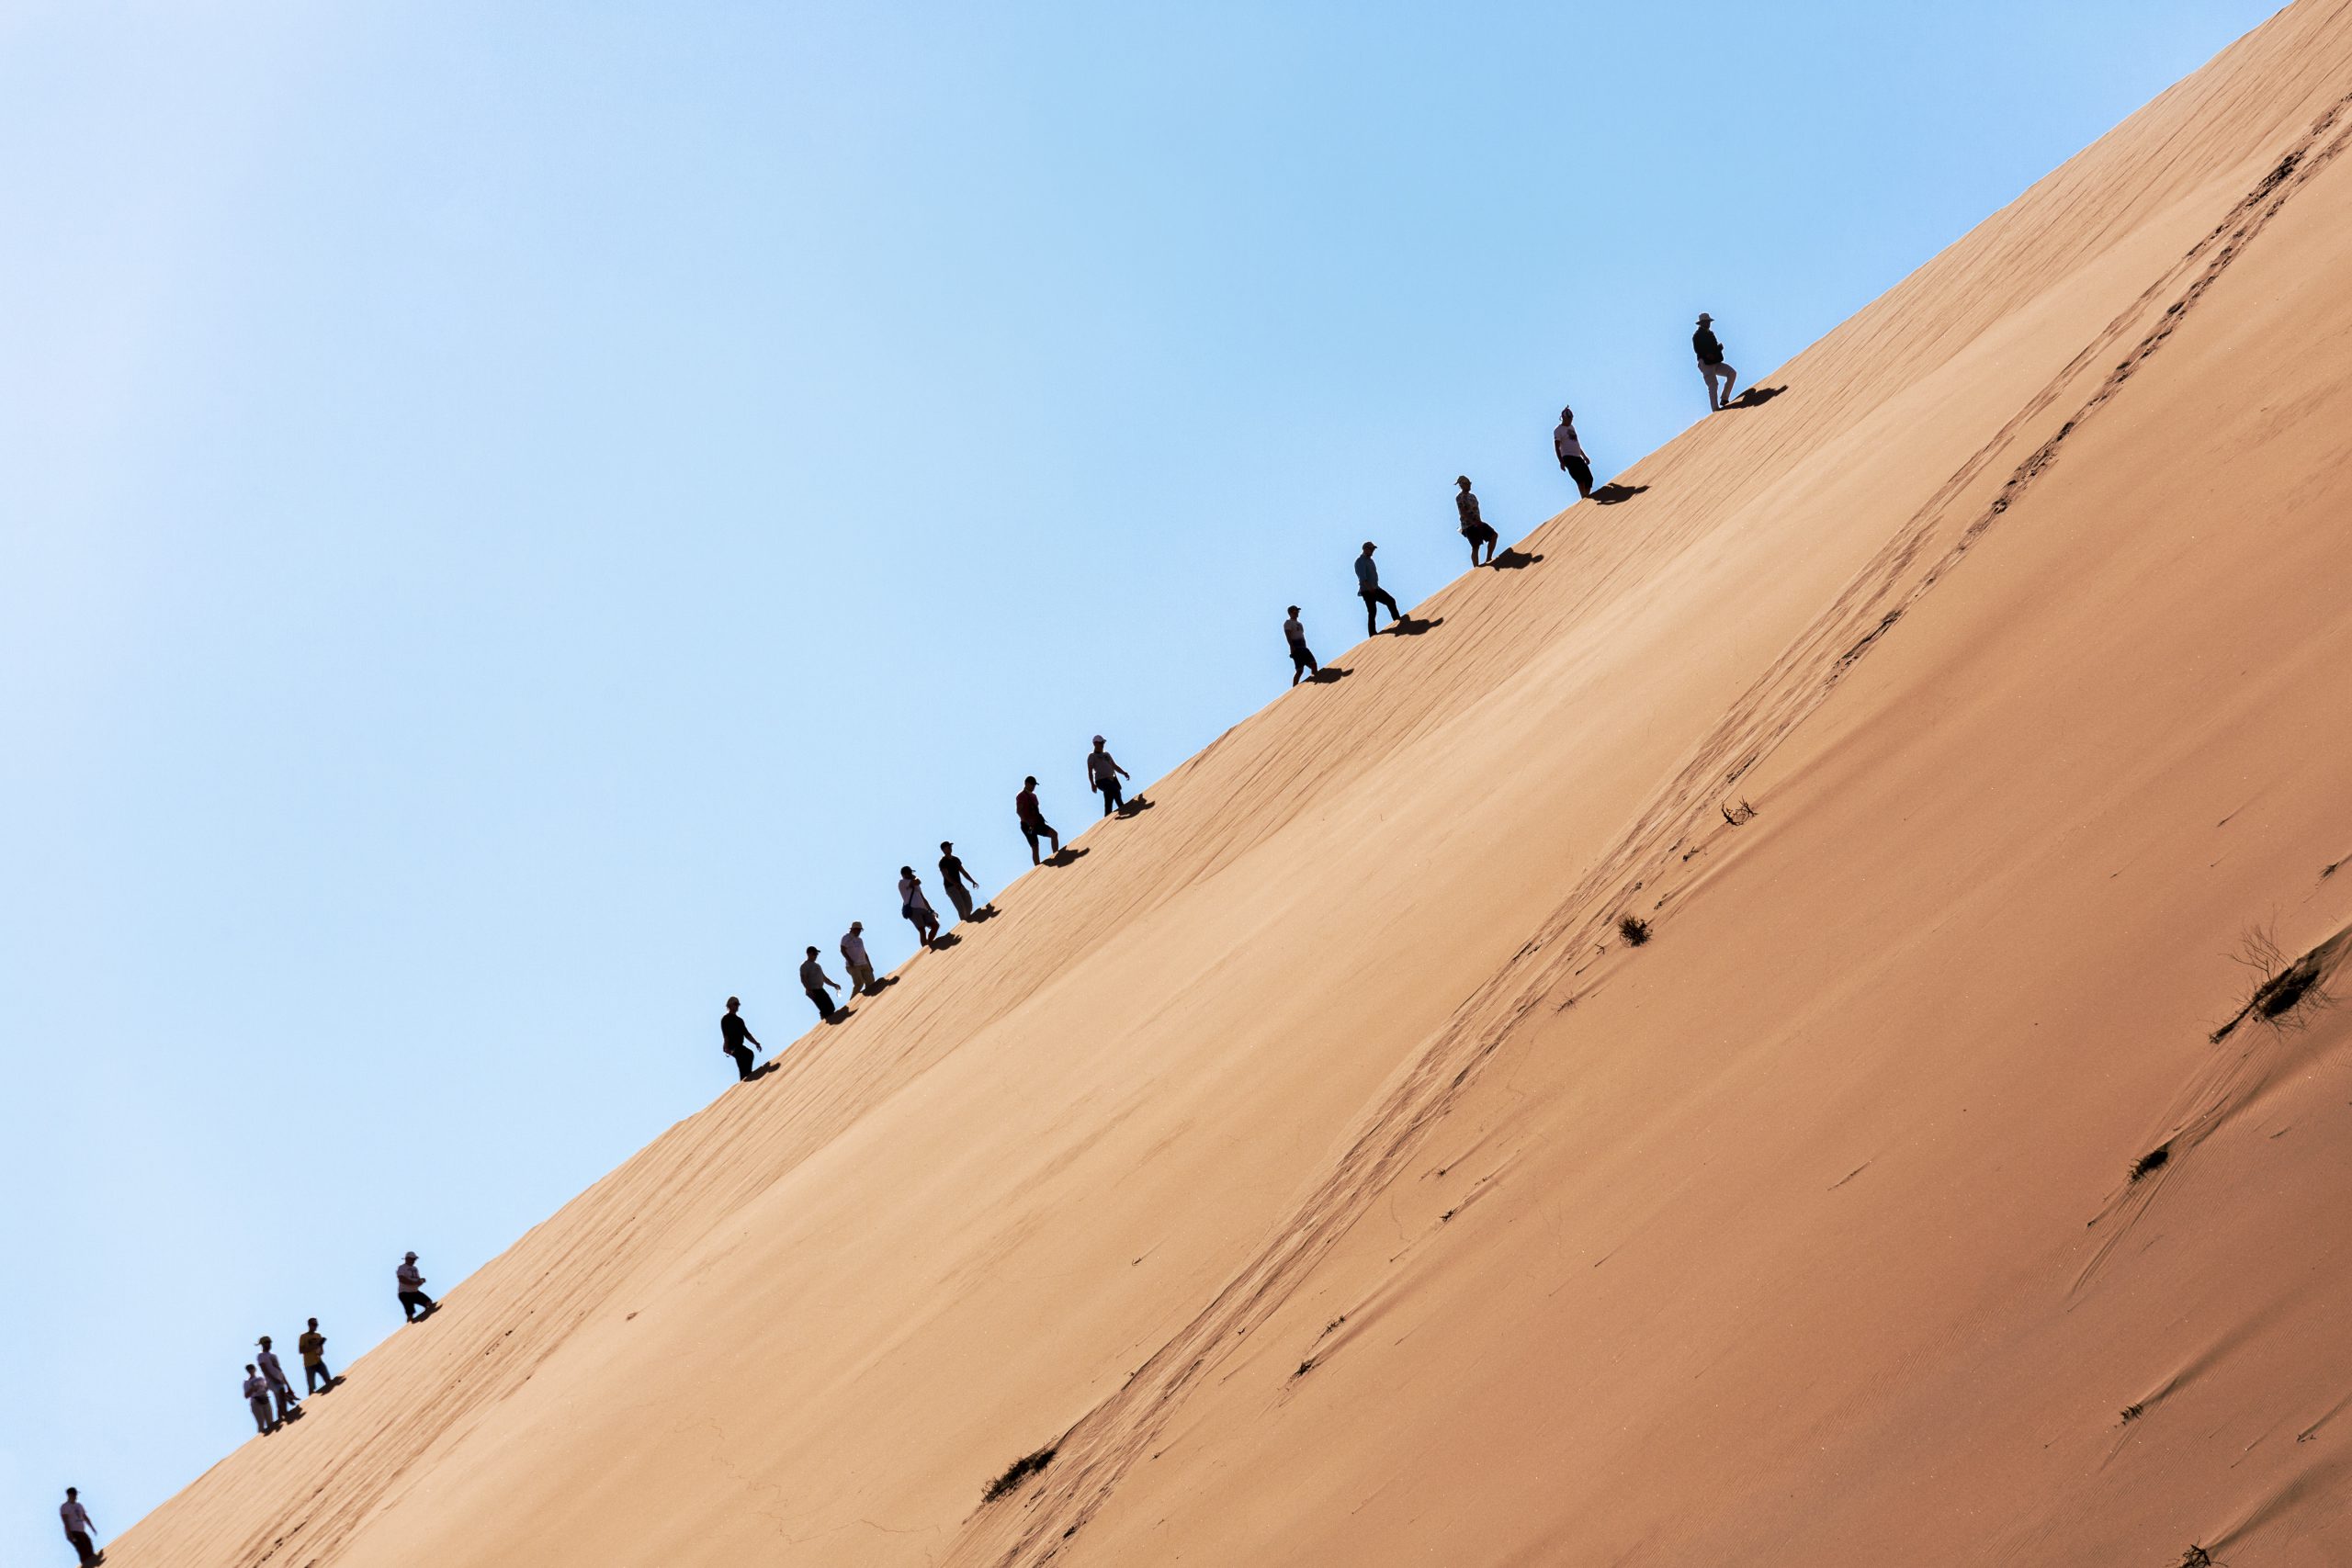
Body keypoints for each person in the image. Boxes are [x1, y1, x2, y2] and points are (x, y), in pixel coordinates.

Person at [1355, 542, 1402, 635]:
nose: (1372, 551)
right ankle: (1372, 634)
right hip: (1367, 590)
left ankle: (1399, 621)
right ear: (1365, 549)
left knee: (1391, 601)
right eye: (1371, 549)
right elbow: (1362, 578)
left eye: (1373, 549)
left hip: (1375, 588)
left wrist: (1374, 588)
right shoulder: (1360, 561)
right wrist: (1370, 588)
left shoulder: (1370, 561)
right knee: (1372, 611)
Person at [1694, 312, 1737, 411]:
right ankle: (1715, 409)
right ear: (1701, 323)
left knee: (1732, 373)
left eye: (1708, 321)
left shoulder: (1710, 334)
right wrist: (1709, 353)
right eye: (1706, 322)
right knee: (1713, 384)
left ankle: (1724, 399)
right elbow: (1698, 350)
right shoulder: (1697, 336)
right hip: (1705, 363)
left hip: (1715, 362)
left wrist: (1718, 349)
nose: (1708, 323)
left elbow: (1712, 348)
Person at [255, 1336, 300, 1426]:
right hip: (271, 1381)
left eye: (269, 1342)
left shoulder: (273, 1355)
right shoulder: (261, 1355)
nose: (269, 1344)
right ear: (262, 1344)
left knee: (279, 1403)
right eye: (267, 1342)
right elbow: (264, 1369)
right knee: (281, 1391)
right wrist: (274, 1379)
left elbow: (280, 1370)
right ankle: (286, 1413)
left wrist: (289, 1386)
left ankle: (281, 1419)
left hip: (279, 1379)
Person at [1454, 477, 1498, 567]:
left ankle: (1488, 559)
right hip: (1469, 526)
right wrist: (1473, 521)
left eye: (1469, 483)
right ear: (1462, 485)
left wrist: (1478, 522)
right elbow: (1462, 512)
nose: (1469, 485)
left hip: (1479, 523)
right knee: (1475, 546)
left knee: (1494, 536)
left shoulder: (1472, 496)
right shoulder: (1460, 497)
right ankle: (1476, 569)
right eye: (1467, 483)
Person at [1016, 777, 1061, 864]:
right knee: (1035, 846)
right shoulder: (1021, 796)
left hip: (1037, 824)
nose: (1033, 786)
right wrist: (1028, 822)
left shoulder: (1034, 796)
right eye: (1032, 784)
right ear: (1026, 783)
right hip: (1027, 826)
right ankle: (1038, 869)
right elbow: (1019, 811)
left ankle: (1058, 856)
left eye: (1034, 784)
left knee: (1054, 834)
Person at [938, 841, 987, 921]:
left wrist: (973, 881)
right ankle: (965, 924)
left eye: (950, 846)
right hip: (951, 887)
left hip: (960, 885)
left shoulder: (956, 859)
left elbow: (963, 872)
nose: (950, 848)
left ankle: (968, 921)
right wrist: (955, 883)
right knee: (961, 907)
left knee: (969, 904)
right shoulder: (943, 862)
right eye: (948, 847)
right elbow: (945, 875)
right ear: (943, 850)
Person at [1554, 407, 1595, 499]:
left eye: (1571, 419)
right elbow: (1557, 447)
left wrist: (1584, 456)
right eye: (1569, 419)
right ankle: (1584, 498)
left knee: (1589, 478)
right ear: (1563, 418)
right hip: (1568, 458)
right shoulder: (1558, 430)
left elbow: (1576, 443)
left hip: (1577, 456)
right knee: (1579, 478)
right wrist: (1561, 461)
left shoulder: (1572, 427)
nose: (1570, 421)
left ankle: (1586, 497)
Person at [1086, 736, 1132, 817]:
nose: (1102, 745)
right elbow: (1090, 772)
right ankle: (1123, 808)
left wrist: (1124, 773)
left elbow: (1114, 766)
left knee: (1109, 799)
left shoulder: (1106, 754)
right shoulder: (1092, 756)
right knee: (1115, 789)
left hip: (1111, 779)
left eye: (1103, 743)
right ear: (1095, 743)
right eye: (1101, 743)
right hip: (1101, 781)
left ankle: (1107, 817)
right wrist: (1092, 784)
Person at [719, 997, 761, 1081]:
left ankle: (747, 1078)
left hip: (739, 1046)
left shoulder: (739, 1021)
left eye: (738, 1004)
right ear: (729, 1005)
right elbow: (726, 1035)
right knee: (746, 1056)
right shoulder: (725, 1019)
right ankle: (746, 1080)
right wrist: (726, 1047)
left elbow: (747, 1034)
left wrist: (756, 1043)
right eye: (735, 1004)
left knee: (748, 1055)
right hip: (733, 1047)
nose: (737, 1006)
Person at [898, 869, 941, 948]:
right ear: (904, 874)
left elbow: (923, 897)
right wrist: (914, 877)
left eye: (911, 872)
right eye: (909, 873)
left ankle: (929, 943)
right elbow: (918, 881)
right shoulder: (902, 882)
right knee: (922, 930)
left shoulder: (915, 884)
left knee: (935, 925)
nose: (911, 874)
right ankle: (925, 949)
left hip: (924, 908)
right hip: (913, 909)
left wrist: (931, 910)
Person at [61, 1487, 101, 1567]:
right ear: (69, 1495)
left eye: (76, 1494)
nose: (76, 1496)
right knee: (82, 1550)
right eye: (74, 1494)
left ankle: (91, 1565)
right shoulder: (65, 1507)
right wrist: (70, 1535)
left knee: (89, 1546)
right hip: (73, 1532)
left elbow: (85, 1517)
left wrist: (92, 1528)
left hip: (81, 1531)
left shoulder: (79, 1505)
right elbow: (65, 1522)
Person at [800, 946, 845, 1020]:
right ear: (808, 954)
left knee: (831, 1007)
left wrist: (834, 985)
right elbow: (803, 978)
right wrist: (808, 989)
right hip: (813, 990)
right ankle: (825, 1025)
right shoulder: (805, 965)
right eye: (814, 953)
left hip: (820, 989)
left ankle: (825, 1021)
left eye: (816, 954)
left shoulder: (817, 965)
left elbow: (824, 978)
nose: (816, 956)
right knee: (825, 1010)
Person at [299, 1317, 339, 1393]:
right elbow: (301, 1350)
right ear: (309, 1325)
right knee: (311, 1387)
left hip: (318, 1362)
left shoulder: (318, 1335)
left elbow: (321, 1350)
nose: (315, 1326)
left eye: (316, 1324)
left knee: (328, 1380)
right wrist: (313, 1346)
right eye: (313, 1324)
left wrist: (319, 1351)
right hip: (309, 1364)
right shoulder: (303, 1336)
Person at [1283, 605, 1319, 685]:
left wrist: (1305, 646)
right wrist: (1292, 647)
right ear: (1290, 613)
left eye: (1297, 611)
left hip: (1303, 647)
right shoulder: (1288, 623)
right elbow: (1288, 636)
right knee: (1300, 670)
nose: (1297, 613)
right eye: (1294, 611)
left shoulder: (1299, 624)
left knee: (1313, 664)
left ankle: (1317, 680)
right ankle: (1294, 690)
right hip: (1296, 648)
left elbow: (1302, 636)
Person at [397, 1252, 436, 1323]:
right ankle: (409, 1329)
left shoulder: (415, 1268)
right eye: (412, 1259)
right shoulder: (402, 1268)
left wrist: (421, 1281)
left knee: (429, 1303)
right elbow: (401, 1279)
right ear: (407, 1259)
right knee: (410, 1313)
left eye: (414, 1259)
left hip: (415, 1292)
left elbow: (417, 1282)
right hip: (405, 1293)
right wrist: (413, 1283)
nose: (413, 1261)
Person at [841, 921, 875, 994]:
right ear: (853, 929)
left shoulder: (860, 940)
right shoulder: (846, 937)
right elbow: (842, 949)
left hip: (864, 964)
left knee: (871, 982)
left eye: (860, 930)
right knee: (859, 983)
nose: (859, 931)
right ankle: (853, 1003)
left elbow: (864, 953)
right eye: (858, 929)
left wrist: (870, 965)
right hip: (853, 966)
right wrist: (849, 960)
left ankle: (867, 1000)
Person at [243, 1364, 277, 1435]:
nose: (251, 1370)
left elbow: (266, 1388)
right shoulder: (246, 1382)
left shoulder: (261, 1378)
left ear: (255, 1369)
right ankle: (261, 1440)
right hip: (256, 1402)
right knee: (261, 1422)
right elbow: (246, 1395)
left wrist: (267, 1387)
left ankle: (273, 1437)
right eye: (249, 1369)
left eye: (252, 1368)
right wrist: (252, 1389)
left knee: (270, 1421)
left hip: (265, 1398)